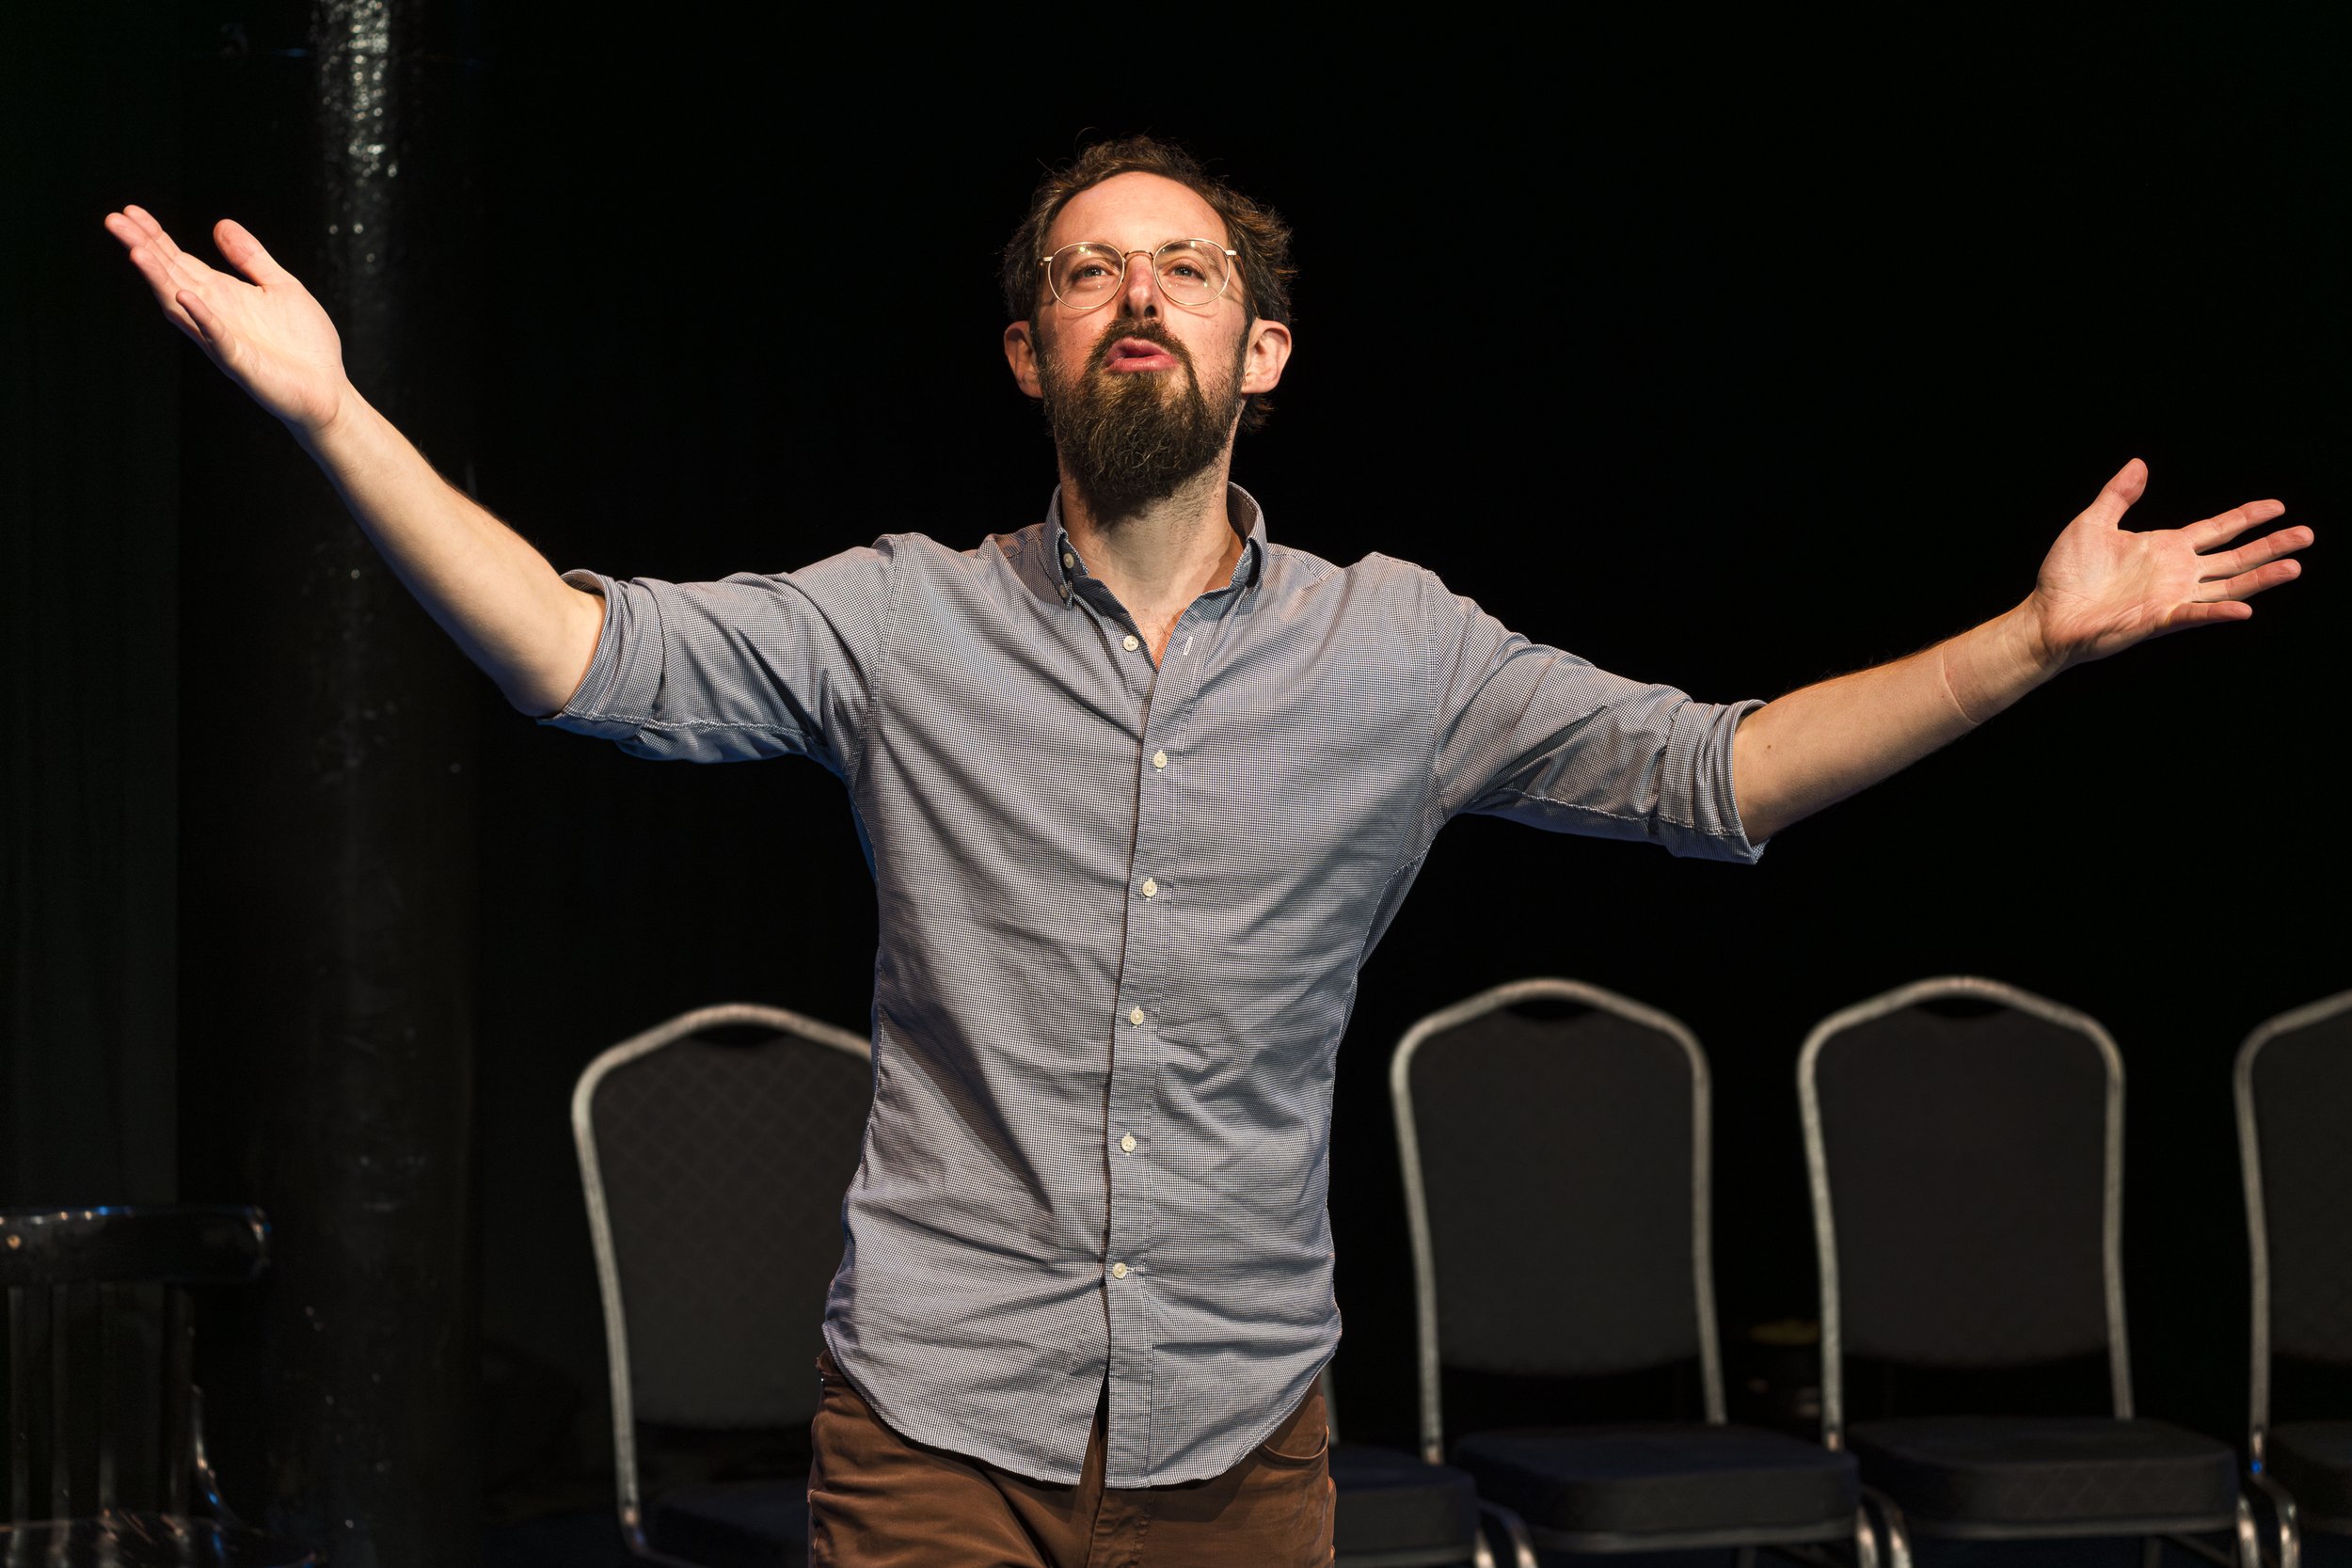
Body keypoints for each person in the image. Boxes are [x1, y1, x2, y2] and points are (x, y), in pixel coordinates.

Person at [106, 135, 2309, 1568]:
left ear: (1262, 352)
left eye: (1182, 270)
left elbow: (1713, 775)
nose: (1135, 296)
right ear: (1028, 351)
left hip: (1240, 1442)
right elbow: (572, 654)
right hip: (935, 1427)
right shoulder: (895, 622)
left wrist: (2027, 644)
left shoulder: (1399, 651)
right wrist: (333, 412)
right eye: (1089, 274)